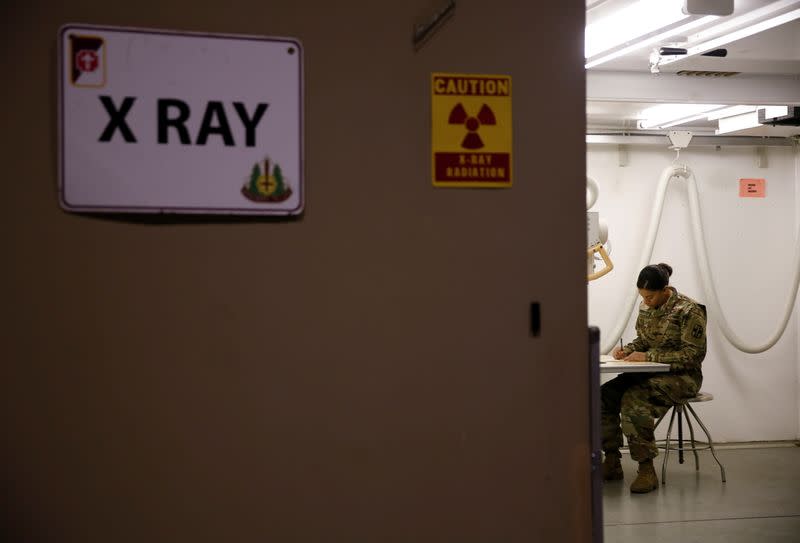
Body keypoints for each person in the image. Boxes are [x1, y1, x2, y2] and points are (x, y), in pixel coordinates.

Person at [601, 263, 707, 493]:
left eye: (650, 297)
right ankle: (611, 461)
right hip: (649, 373)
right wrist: (628, 350)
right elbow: (644, 339)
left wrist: (648, 355)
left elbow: (693, 355)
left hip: (683, 377)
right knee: (603, 396)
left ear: (664, 290)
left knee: (633, 399)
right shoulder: (647, 307)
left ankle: (646, 470)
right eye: (643, 297)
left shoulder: (689, 311)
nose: (646, 301)